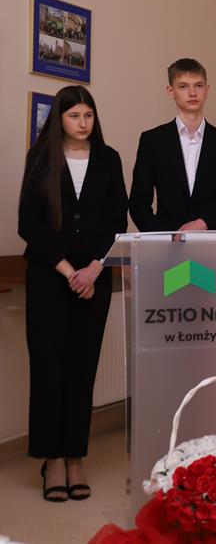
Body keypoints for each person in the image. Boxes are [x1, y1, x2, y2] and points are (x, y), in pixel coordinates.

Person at [18, 85, 128, 502]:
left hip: (94, 277)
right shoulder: (40, 158)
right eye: (74, 116)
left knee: (83, 369)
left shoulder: (109, 159)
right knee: (50, 369)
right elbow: (29, 224)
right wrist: (69, 271)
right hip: (50, 277)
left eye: (88, 115)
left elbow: (117, 220)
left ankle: (76, 457)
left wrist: (96, 268)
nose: (83, 123)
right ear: (59, 120)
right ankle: (52, 460)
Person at [129, 58, 216, 232]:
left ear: (207, 90)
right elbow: (138, 204)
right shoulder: (152, 141)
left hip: (210, 241)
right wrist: (164, 236)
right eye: (183, 86)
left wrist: (204, 223)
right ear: (170, 91)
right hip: (164, 243)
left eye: (198, 86)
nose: (192, 93)